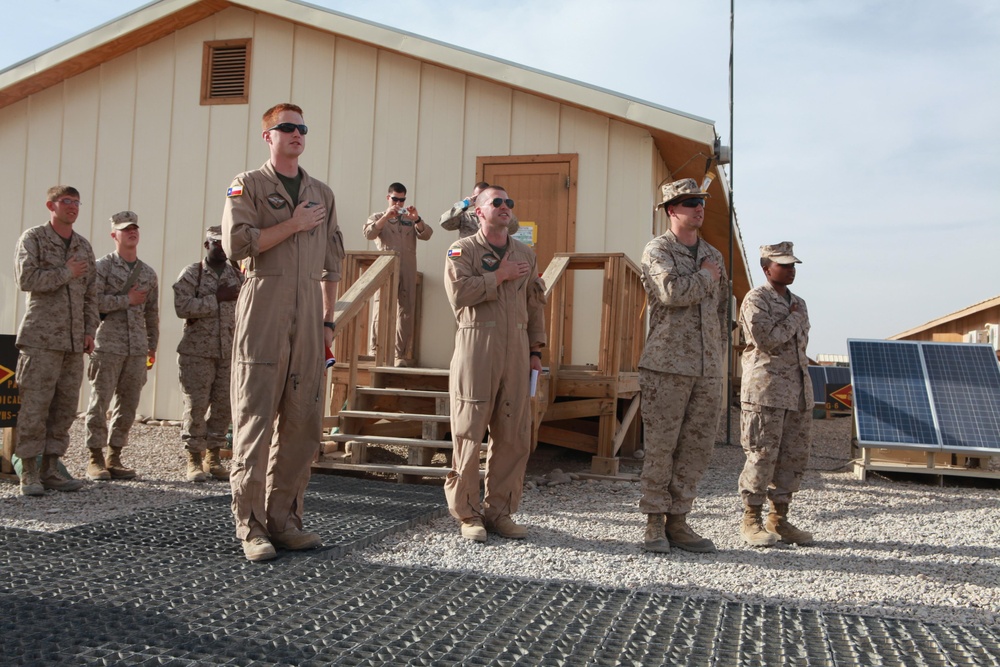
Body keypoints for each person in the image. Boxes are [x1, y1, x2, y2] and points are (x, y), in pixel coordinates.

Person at [222, 102, 345, 562]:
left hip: (310, 313)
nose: (296, 134)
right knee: (255, 418)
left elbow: (334, 262)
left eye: (302, 128)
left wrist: (328, 320)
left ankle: (285, 520)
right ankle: (250, 525)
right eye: (286, 128)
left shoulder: (321, 192)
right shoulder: (248, 185)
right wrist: (292, 225)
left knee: (304, 421)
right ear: (267, 137)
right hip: (265, 303)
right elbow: (239, 245)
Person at [443, 186, 546, 542]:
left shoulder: (525, 253)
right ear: (479, 211)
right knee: (469, 431)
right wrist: (498, 276)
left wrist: (536, 350)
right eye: (497, 202)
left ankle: (501, 511)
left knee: (514, 434)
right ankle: (469, 513)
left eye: (509, 202)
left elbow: (535, 303)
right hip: (477, 343)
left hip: (516, 348)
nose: (505, 207)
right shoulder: (463, 250)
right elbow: (458, 294)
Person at [638, 178, 728, 554]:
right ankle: (654, 523)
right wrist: (705, 276)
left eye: (701, 201)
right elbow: (672, 293)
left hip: (707, 367)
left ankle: (679, 521)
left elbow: (720, 310)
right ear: (671, 210)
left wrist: (707, 274)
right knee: (662, 445)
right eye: (689, 202)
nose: (698, 208)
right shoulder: (658, 250)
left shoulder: (713, 254)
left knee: (696, 447)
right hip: (667, 365)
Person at [12, 186, 98, 496]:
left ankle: (51, 468)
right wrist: (66, 271)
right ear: (51, 205)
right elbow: (26, 279)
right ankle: (29, 472)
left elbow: (91, 294)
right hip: (41, 339)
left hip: (73, 343)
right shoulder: (33, 238)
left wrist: (90, 330)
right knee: (35, 406)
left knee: (64, 409)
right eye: (66, 201)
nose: (73, 207)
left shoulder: (83, 247)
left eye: (77, 202)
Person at [737, 242, 814, 547]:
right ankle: (751, 519)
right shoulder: (756, 299)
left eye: (793, 264)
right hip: (766, 392)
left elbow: (799, 348)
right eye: (783, 265)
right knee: (762, 455)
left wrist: (795, 315)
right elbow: (767, 340)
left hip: (796, 392)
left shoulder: (800, 302)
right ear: (766, 267)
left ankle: (779, 519)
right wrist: (792, 318)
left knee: (792, 458)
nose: (790, 270)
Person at [84, 211, 159, 481]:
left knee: (128, 404)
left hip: (136, 347)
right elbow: (93, 303)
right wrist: (126, 299)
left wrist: (152, 345)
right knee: (99, 401)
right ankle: (94, 457)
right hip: (107, 344)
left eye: (135, 228)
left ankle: (114, 456)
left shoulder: (148, 273)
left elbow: (152, 312)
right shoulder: (101, 267)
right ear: (114, 234)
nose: (132, 232)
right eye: (126, 229)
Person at [172, 226, 244, 483]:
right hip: (197, 353)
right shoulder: (193, 274)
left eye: (225, 243)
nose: (222, 248)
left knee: (224, 406)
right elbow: (182, 307)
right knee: (196, 406)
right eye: (217, 243)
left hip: (228, 353)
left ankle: (213, 458)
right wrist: (217, 297)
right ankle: (194, 459)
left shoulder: (237, 276)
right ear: (207, 245)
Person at [363, 183, 433, 366]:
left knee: (406, 309)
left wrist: (417, 219)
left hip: (408, 266)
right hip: (386, 266)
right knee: (381, 307)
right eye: (395, 199)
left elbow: (426, 235)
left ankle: (398, 354)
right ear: (388, 198)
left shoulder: (410, 218)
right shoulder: (379, 216)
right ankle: (374, 350)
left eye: (402, 199)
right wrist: (386, 217)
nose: (398, 203)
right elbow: (369, 234)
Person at [438, 181, 519, 238]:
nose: (481, 199)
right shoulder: (465, 217)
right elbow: (444, 223)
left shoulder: (498, 216)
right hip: (470, 255)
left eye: (484, 196)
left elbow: (514, 228)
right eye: (478, 197)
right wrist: (463, 205)